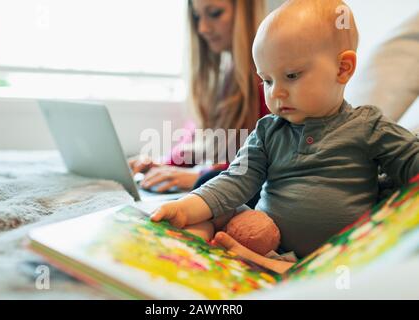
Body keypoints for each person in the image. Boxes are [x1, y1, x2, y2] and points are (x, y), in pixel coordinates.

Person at [150, 0, 419, 273]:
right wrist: (184, 207)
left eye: (291, 75)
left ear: (343, 68)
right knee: (216, 210)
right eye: (267, 80)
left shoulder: (368, 126)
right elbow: (235, 180)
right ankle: (185, 251)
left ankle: (267, 264)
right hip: (269, 239)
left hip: (336, 256)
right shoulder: (268, 130)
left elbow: (411, 161)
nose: (276, 93)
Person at [129, 0, 268, 203]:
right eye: (196, 17)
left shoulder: (270, 80)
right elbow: (196, 141)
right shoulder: (227, 77)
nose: (202, 28)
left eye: (214, 13)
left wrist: (200, 177)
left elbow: (270, 163)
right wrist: (159, 164)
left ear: (245, 12)